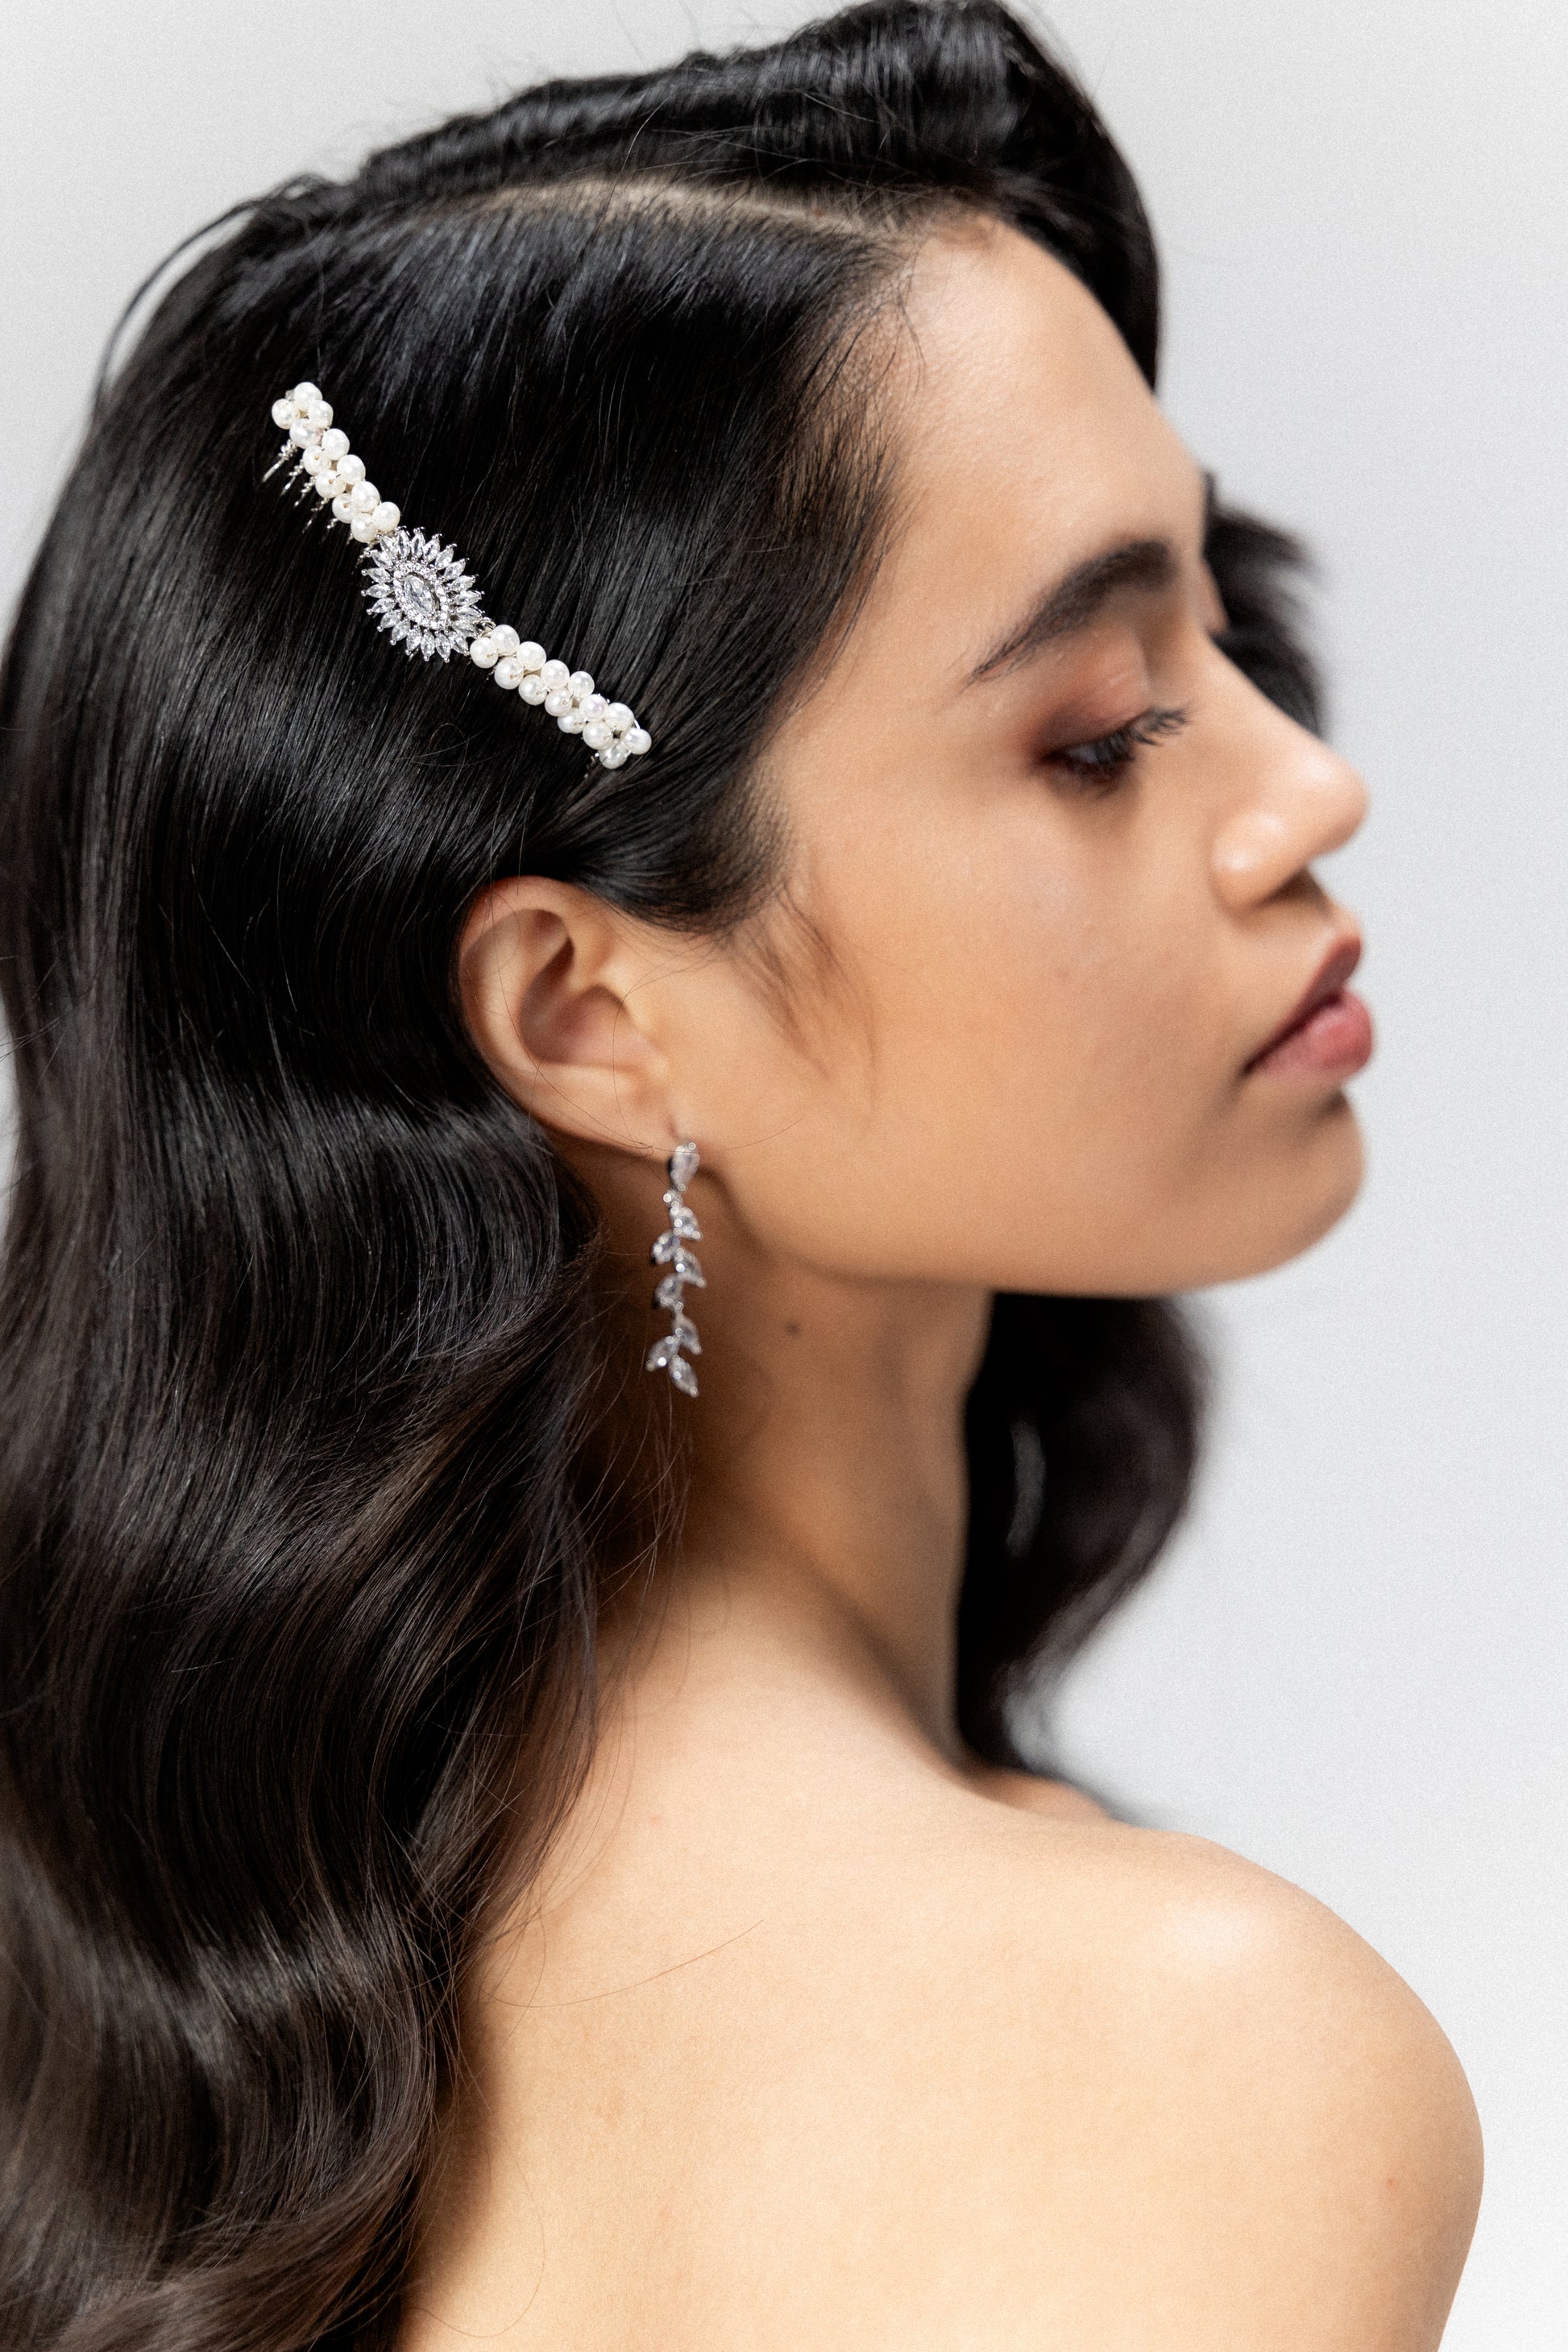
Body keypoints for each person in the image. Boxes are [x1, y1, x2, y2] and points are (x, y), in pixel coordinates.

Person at [0, 3, 1482, 2345]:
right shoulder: (1171, 2061)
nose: (1305, 787)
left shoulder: (146, 2041)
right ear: (590, 1015)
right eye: (1101, 732)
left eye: (1224, 617)